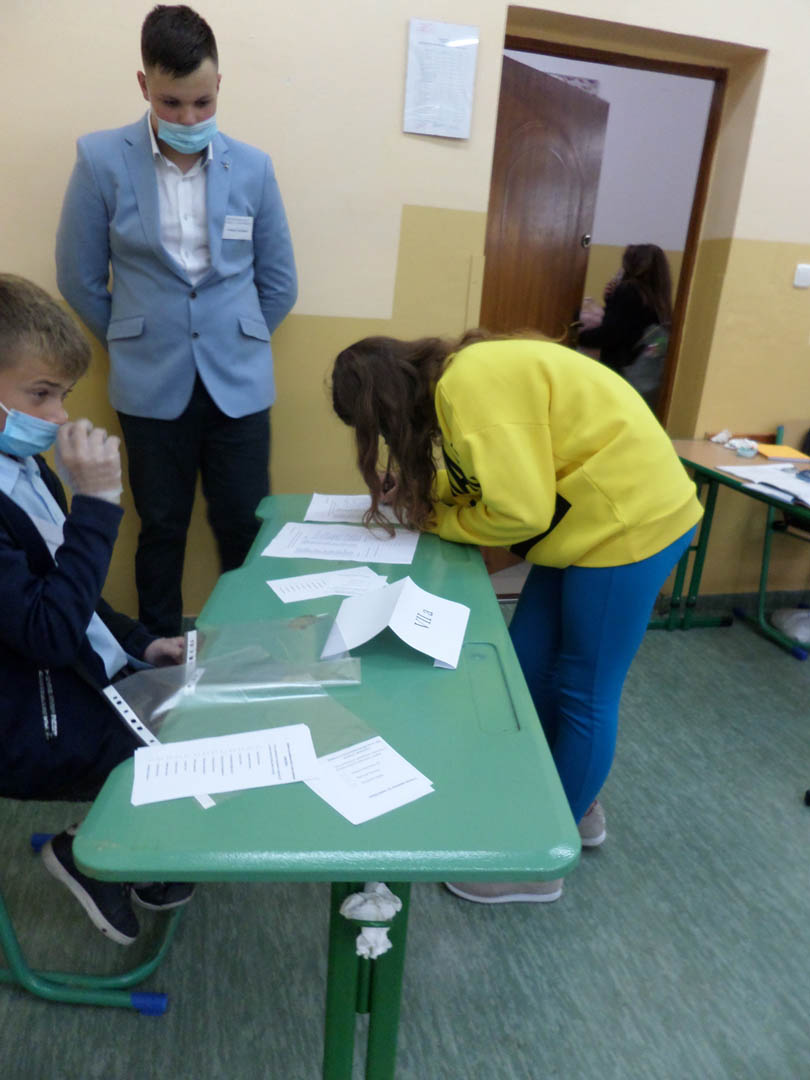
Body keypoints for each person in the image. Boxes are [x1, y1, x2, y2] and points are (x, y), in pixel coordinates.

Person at [330, 331, 703, 904]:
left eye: (380, 427)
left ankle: (541, 860)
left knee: (584, 689)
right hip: (583, 525)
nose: (385, 440)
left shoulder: (467, 384)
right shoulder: (457, 385)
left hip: (629, 525)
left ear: (390, 402)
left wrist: (437, 521)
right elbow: (487, 476)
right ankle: (571, 802)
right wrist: (430, 496)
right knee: (525, 667)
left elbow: (519, 511)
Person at [56, 4, 297, 637]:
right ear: (144, 86)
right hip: (149, 381)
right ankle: (156, 654)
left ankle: (251, 649)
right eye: (171, 103)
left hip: (239, 383)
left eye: (203, 102)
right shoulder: (101, 159)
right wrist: (130, 339)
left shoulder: (253, 167)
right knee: (160, 527)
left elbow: (279, 283)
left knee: (245, 524)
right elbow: (79, 277)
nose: (189, 118)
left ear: (220, 86)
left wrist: (238, 339)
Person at [0, 274, 193, 945]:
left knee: (204, 698)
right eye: (40, 394)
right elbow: (49, 634)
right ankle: (88, 851)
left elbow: (72, 594)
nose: (58, 417)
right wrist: (97, 506)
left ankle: (134, 843)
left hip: (68, 673)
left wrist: (141, 643)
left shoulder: (25, 469)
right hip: (22, 714)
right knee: (183, 744)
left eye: (63, 395)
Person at [578, 243, 672, 411]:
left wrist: (577, 336)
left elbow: (611, 333)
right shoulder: (659, 299)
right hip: (644, 373)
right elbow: (630, 325)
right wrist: (610, 300)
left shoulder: (628, 290)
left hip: (622, 369)